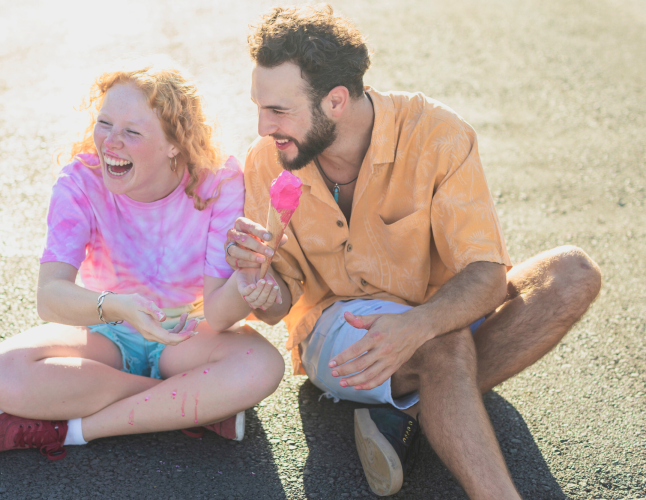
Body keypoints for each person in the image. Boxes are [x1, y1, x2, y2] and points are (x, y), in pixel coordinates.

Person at [225, 5, 602, 499]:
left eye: (277, 110)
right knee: (445, 347)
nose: (262, 126)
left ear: (336, 101)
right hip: (339, 330)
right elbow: (275, 308)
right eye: (259, 106)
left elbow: (486, 275)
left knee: (573, 273)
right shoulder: (266, 162)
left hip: (436, 310)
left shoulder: (438, 134)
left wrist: (420, 323)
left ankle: (407, 409)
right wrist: (256, 280)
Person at [0, 60, 285, 461]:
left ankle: (76, 430)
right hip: (108, 330)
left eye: (132, 132)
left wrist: (245, 282)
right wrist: (117, 305)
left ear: (173, 142)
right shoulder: (80, 180)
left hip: (186, 335)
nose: (110, 143)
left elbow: (220, 318)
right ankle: (191, 406)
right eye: (104, 124)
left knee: (261, 367)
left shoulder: (218, 181)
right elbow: (50, 297)